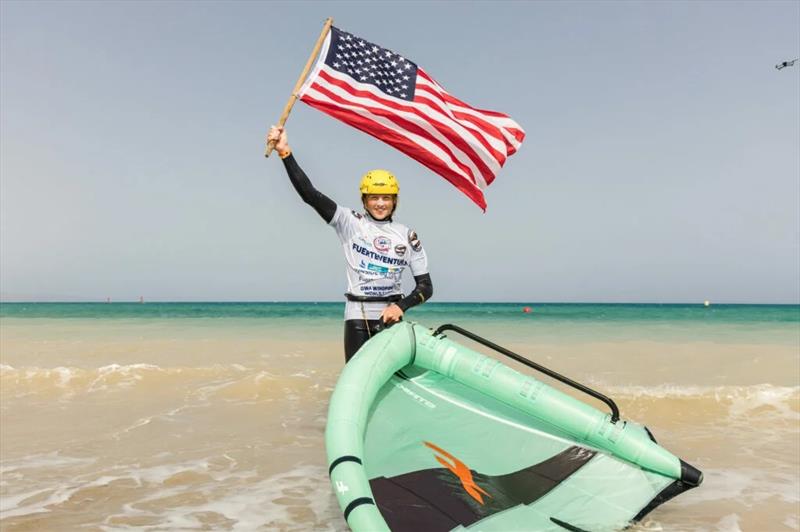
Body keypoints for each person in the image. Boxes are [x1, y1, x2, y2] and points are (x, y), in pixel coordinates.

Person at [267, 126, 433, 362]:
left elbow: (426, 287)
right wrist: (285, 152)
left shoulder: (407, 235)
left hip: (392, 317)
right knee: (357, 381)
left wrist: (400, 307)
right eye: (374, 198)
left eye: (386, 198)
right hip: (357, 317)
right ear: (364, 200)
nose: (380, 204)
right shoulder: (349, 222)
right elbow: (309, 194)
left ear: (394, 201)